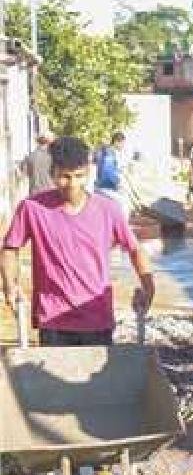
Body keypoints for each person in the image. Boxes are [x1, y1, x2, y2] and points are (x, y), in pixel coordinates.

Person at [1, 136, 155, 346]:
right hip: (54, 320)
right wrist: (10, 285)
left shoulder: (108, 209)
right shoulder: (32, 208)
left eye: (79, 176)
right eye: (64, 176)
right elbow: (10, 248)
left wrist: (148, 286)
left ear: (88, 172)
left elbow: (135, 249)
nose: (72, 184)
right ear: (52, 172)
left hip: (97, 318)